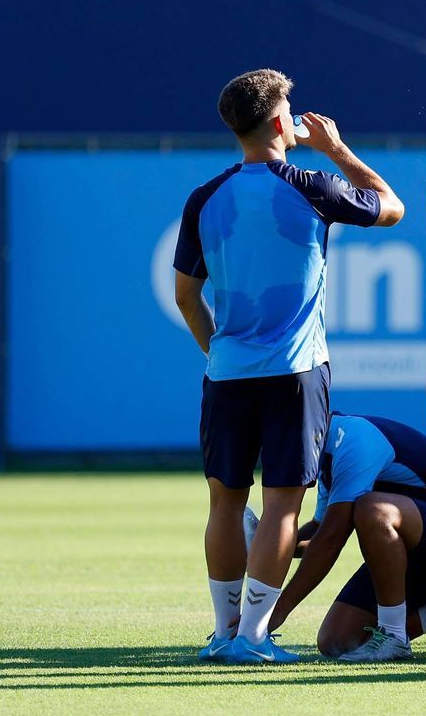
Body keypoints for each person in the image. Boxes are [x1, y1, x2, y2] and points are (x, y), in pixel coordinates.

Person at [172, 69, 404, 663]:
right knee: (282, 503)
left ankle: (223, 634)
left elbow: (185, 297)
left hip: (226, 372)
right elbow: (392, 208)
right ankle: (252, 637)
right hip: (295, 372)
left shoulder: (205, 196)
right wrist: (337, 148)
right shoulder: (312, 183)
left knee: (225, 501)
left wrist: (217, 351)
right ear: (281, 122)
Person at [267, 413, 426, 661]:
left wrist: (271, 618)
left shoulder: (352, 440)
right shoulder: (327, 451)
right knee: (338, 641)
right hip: (415, 547)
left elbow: (330, 540)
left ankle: (393, 636)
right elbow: (317, 532)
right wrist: (264, 544)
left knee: (372, 509)